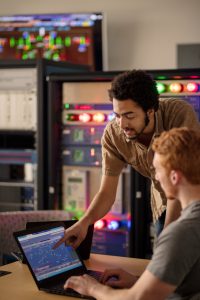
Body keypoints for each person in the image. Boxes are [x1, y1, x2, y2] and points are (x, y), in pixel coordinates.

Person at [54, 70, 200, 250]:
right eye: (117, 115)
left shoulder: (177, 114)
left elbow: (178, 182)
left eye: (129, 115)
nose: (122, 124)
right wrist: (84, 223)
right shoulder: (113, 134)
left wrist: (167, 242)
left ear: (150, 111)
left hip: (192, 201)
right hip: (163, 204)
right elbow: (107, 193)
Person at [64, 127, 200, 300]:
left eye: (158, 170)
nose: (156, 178)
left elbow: (136, 298)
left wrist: (92, 288)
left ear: (174, 177)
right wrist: (139, 281)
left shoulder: (182, 232)